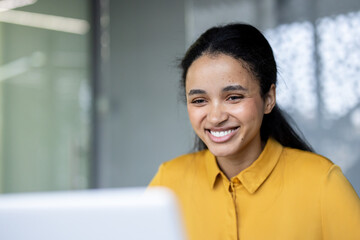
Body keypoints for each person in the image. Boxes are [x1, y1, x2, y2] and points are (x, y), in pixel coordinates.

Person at [149, 23, 360, 240]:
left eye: (233, 97)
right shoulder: (168, 183)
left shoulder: (322, 183)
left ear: (268, 99)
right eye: (199, 100)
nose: (215, 117)